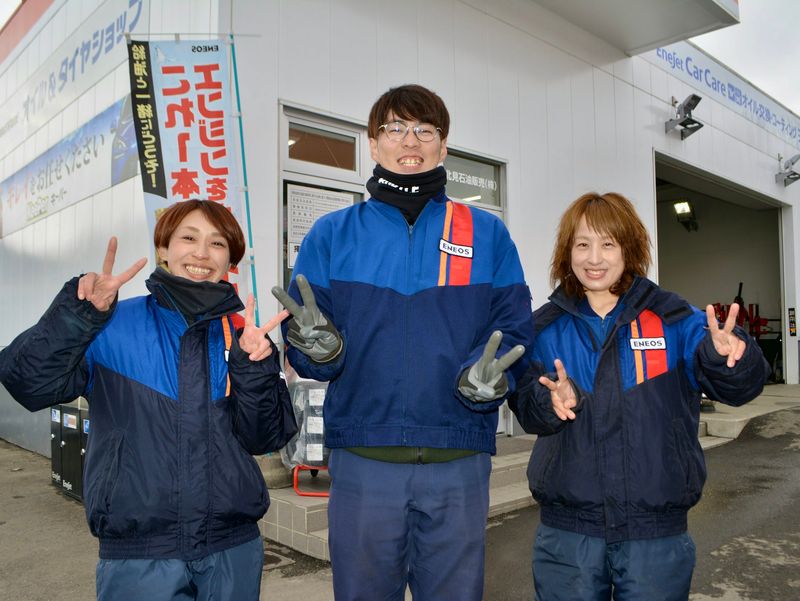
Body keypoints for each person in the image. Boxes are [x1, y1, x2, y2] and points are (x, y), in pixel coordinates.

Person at [271, 84, 533, 600]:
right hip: (363, 458)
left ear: (443, 145)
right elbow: (302, 334)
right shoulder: (332, 234)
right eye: (395, 128)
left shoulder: (487, 234)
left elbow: (514, 328)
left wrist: (489, 379)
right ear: (373, 143)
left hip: (459, 456)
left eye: (424, 130)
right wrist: (316, 349)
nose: (409, 140)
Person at [0, 199, 296, 601]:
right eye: (188, 238)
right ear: (163, 249)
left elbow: (267, 438)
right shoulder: (109, 324)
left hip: (232, 550)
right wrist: (77, 316)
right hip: (139, 556)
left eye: (217, 243)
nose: (202, 253)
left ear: (230, 261)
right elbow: (27, 384)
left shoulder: (247, 338)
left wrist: (254, 370)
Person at [509, 192, 770, 601]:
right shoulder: (543, 328)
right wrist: (551, 402)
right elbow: (525, 406)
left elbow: (738, 385)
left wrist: (728, 356)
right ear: (567, 252)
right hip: (568, 536)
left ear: (629, 249)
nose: (595, 258)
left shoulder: (673, 318)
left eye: (608, 244)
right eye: (583, 244)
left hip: (655, 535)